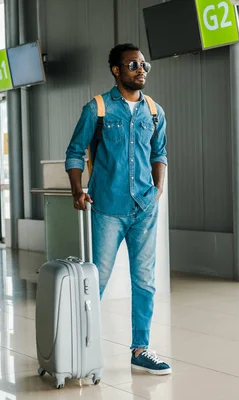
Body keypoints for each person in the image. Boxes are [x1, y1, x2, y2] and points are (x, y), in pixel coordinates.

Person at [64, 43, 171, 375]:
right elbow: (74, 152)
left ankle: (140, 348)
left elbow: (160, 153)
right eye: (133, 65)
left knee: (144, 281)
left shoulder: (154, 111)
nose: (141, 70)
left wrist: (157, 190)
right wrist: (77, 190)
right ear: (116, 70)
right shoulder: (97, 109)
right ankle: (79, 347)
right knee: (96, 281)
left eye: (144, 65)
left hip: (144, 209)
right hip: (108, 208)